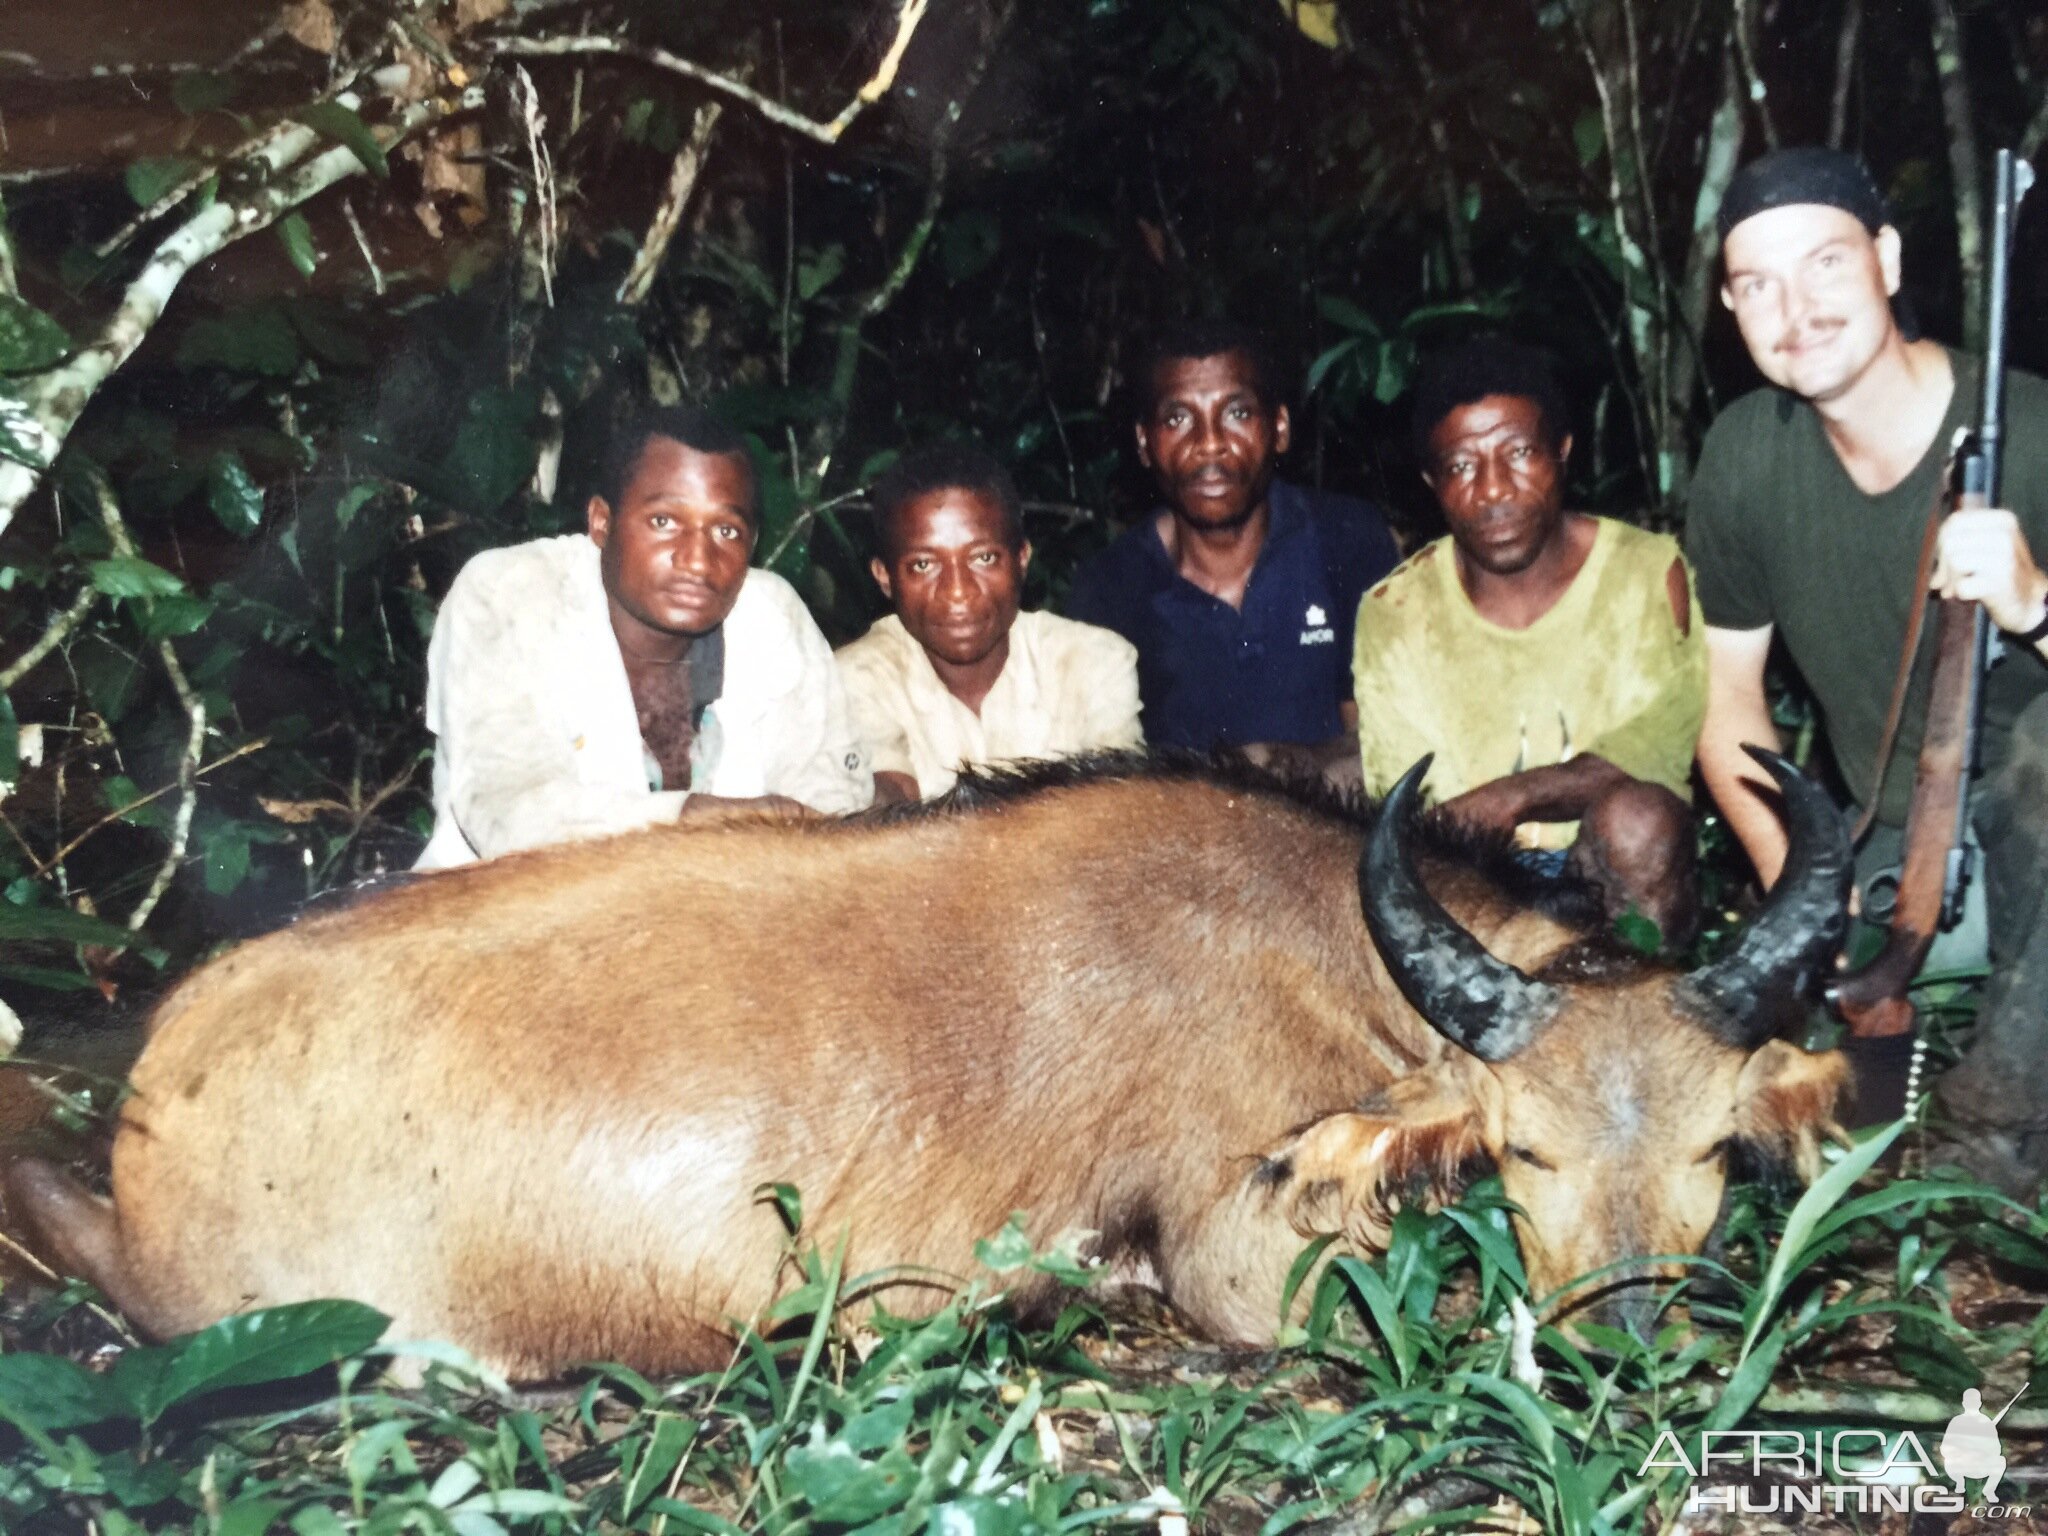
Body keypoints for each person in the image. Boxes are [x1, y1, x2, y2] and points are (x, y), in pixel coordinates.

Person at [1687, 146, 2048, 1185]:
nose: (1793, 308)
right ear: (1729, 306)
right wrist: (1800, 885)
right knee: (1797, 1132)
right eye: (1756, 284)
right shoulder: (1746, 457)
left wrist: (2032, 605)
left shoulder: (2027, 430)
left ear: (1885, 261)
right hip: (1906, 858)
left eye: (1824, 264)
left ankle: (1993, 1133)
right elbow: (1726, 706)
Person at [1352, 337, 1707, 945]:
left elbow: (1654, 756)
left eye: (1518, 452)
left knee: (1640, 821)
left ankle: (1637, 1008)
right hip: (1474, 877)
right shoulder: (1395, 611)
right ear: (1431, 483)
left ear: (1562, 451)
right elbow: (1420, 808)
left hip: (1612, 866)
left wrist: (1513, 796)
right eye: (1461, 465)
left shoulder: (1647, 574)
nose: (1493, 490)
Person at [415, 403, 871, 867]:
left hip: (722, 920)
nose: (697, 559)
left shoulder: (771, 618)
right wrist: (705, 820)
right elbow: (511, 813)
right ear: (601, 522)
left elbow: (833, 804)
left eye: (726, 530)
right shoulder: (508, 594)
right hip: (506, 919)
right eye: (663, 522)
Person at [1066, 319, 1399, 773]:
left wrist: (1277, 764)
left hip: (1340, 830)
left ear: (1279, 428)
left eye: (1237, 413)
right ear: (1144, 444)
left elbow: (1385, 745)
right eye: (1178, 418)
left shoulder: (1346, 539)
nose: (1209, 445)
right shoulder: (1109, 589)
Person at [837, 444, 1142, 801]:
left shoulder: (1092, 661)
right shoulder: (856, 676)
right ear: (885, 577)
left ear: (1022, 560)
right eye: (923, 565)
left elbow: (1121, 807)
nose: (957, 592)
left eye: (983, 558)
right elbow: (889, 797)